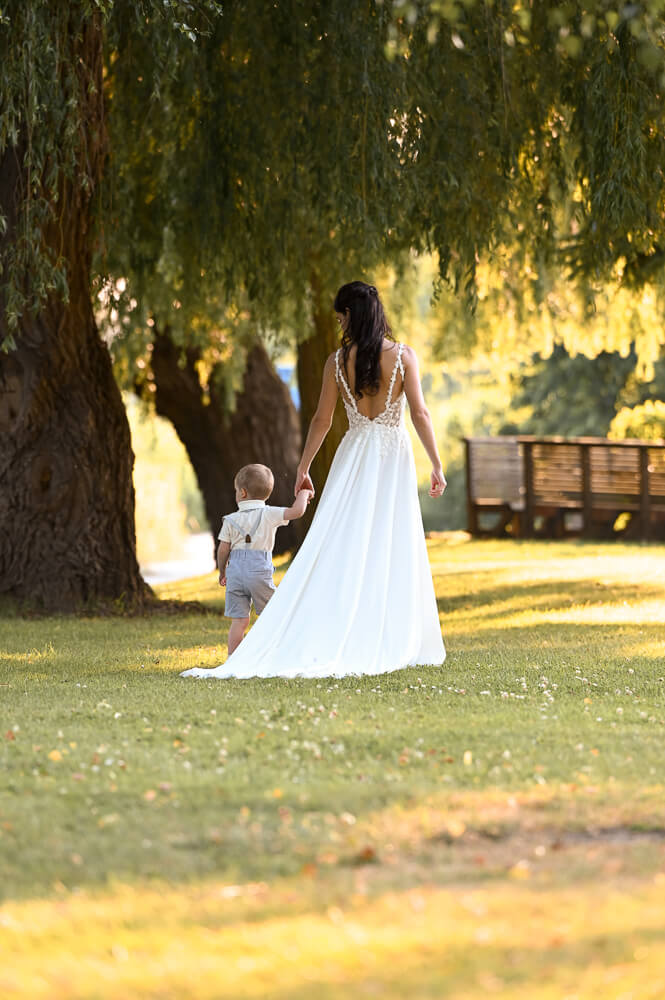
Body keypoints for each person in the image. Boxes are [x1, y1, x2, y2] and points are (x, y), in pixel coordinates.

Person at [182, 280, 446, 679]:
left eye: (341, 316)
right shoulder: (405, 356)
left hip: (354, 452)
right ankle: (383, 628)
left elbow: (321, 420)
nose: (339, 323)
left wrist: (304, 466)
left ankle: (347, 620)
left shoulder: (336, 362)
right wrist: (436, 464)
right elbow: (421, 414)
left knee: (344, 536)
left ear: (350, 317)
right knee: (390, 536)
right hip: (392, 454)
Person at [215, 463, 312, 656]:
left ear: (242, 493)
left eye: (235, 491)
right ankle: (273, 653)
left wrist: (223, 571)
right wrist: (304, 493)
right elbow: (297, 512)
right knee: (272, 615)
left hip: (235, 573)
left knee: (239, 620)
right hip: (258, 571)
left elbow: (223, 549)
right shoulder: (269, 513)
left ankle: (234, 659)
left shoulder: (230, 519)